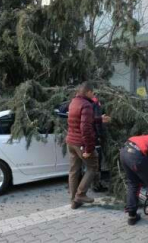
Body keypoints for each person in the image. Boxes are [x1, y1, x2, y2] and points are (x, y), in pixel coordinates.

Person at [66, 81, 98, 209]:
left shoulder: (74, 102)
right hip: (80, 143)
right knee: (93, 166)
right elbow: (85, 127)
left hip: (71, 142)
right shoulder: (86, 105)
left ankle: (74, 202)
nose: (94, 95)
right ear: (88, 92)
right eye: (93, 92)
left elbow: (81, 120)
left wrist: (100, 119)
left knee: (74, 171)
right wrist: (89, 149)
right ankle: (81, 194)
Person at [91, 96, 111, 192]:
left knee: (91, 162)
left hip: (88, 137)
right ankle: (96, 185)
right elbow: (97, 123)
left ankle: (93, 184)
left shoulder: (85, 103)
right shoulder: (95, 104)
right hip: (95, 138)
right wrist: (100, 135)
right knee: (96, 162)